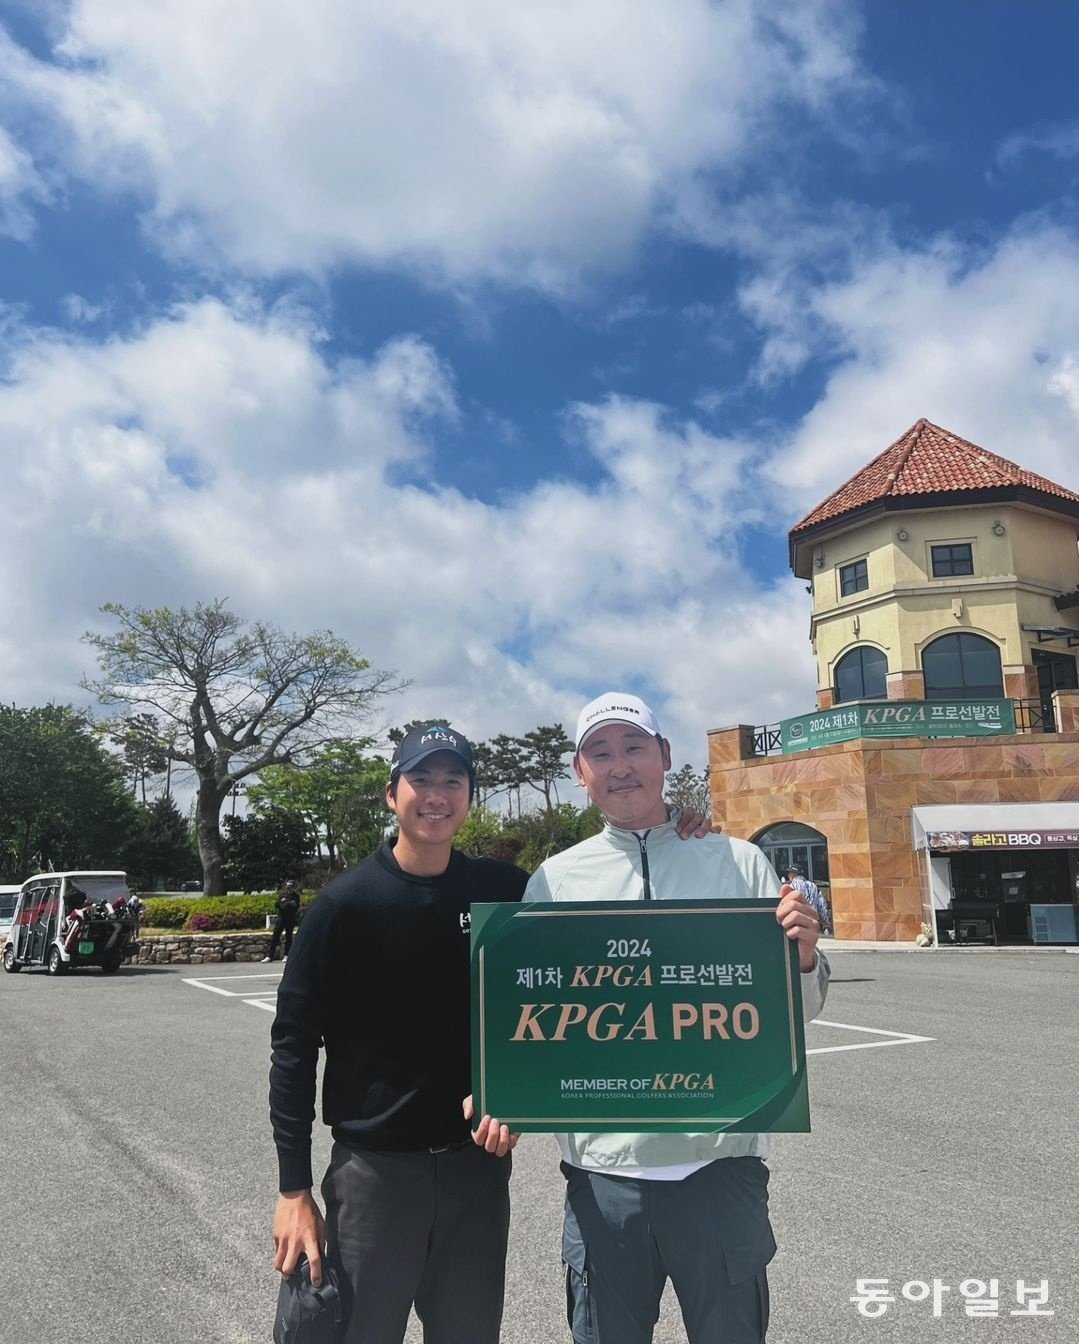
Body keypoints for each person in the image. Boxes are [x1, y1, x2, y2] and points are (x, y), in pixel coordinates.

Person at [270, 720, 713, 1344]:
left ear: (470, 797)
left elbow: (575, 965)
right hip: (375, 1174)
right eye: (420, 780)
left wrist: (675, 827)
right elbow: (292, 1049)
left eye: (453, 781)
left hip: (476, 1170)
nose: (436, 795)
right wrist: (293, 1189)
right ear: (391, 793)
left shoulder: (502, 893)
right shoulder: (344, 906)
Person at [473, 692, 829, 1344]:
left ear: (665, 757)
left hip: (721, 1168)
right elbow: (532, 1021)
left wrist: (802, 959)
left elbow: (789, 1019)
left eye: (634, 747)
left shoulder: (738, 862)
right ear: (579, 773)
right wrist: (505, 1088)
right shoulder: (552, 882)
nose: (619, 766)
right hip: (601, 1175)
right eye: (599, 753)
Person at [263, 878, 301, 962]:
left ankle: (286, 955)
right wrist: (282, 901)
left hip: (290, 919)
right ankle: (270, 956)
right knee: (275, 936)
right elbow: (277, 905)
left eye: (290, 887)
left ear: (294, 888)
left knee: (288, 937)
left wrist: (286, 903)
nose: (289, 889)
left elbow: (295, 906)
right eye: (287, 887)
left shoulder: (296, 896)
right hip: (281, 918)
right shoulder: (282, 895)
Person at [784, 866, 829, 935]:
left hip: (799, 921)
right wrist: (826, 923)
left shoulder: (791, 886)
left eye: (790, 872)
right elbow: (821, 904)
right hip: (813, 920)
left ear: (794, 874)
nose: (788, 875)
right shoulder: (813, 886)